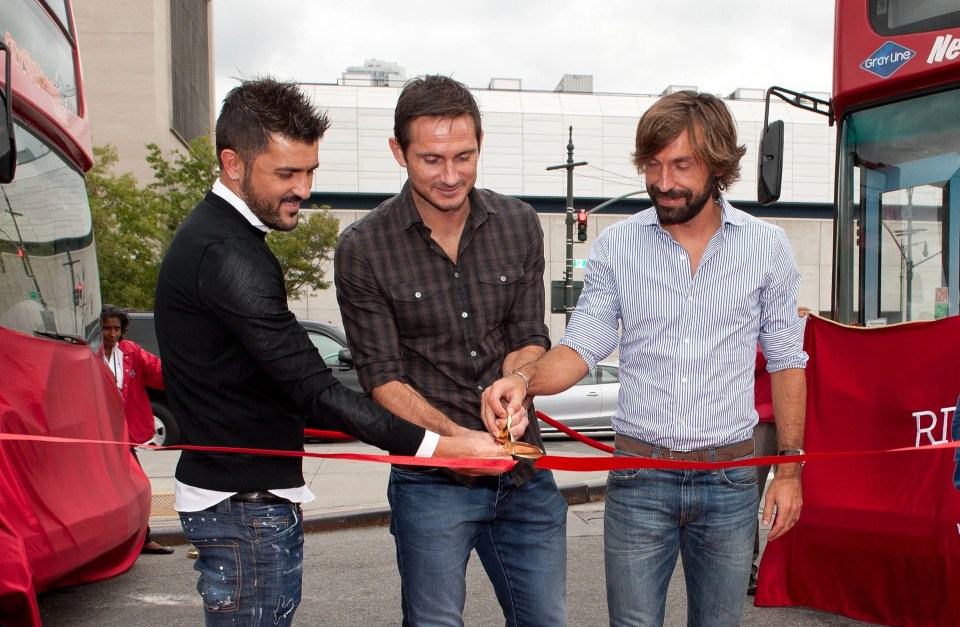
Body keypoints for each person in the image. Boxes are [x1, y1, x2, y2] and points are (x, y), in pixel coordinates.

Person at [154, 77, 505, 627]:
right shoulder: (227, 252)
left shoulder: (225, 240)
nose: (304, 189)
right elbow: (314, 389)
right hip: (244, 509)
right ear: (233, 164)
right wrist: (444, 446)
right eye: (287, 174)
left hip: (244, 503)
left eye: (310, 170)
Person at [482, 90, 808, 627]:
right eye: (653, 165)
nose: (663, 181)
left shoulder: (767, 247)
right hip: (640, 478)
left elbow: (786, 360)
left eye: (681, 165)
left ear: (718, 165)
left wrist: (790, 471)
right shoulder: (618, 246)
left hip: (730, 479)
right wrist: (523, 379)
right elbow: (580, 346)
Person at [334, 75, 568, 627]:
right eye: (432, 159)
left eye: (464, 156)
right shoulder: (363, 247)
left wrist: (517, 388)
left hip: (523, 473)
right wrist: (457, 441)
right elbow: (382, 378)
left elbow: (527, 338)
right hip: (430, 481)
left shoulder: (518, 223)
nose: (450, 175)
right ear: (399, 152)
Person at [98, 304, 174, 555]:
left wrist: (188, 370)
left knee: (137, 487)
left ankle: (143, 538)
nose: (112, 334)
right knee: (99, 492)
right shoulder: (87, 353)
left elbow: (160, 373)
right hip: (93, 434)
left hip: (123, 435)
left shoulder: (131, 352)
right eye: (106, 328)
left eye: (116, 329)